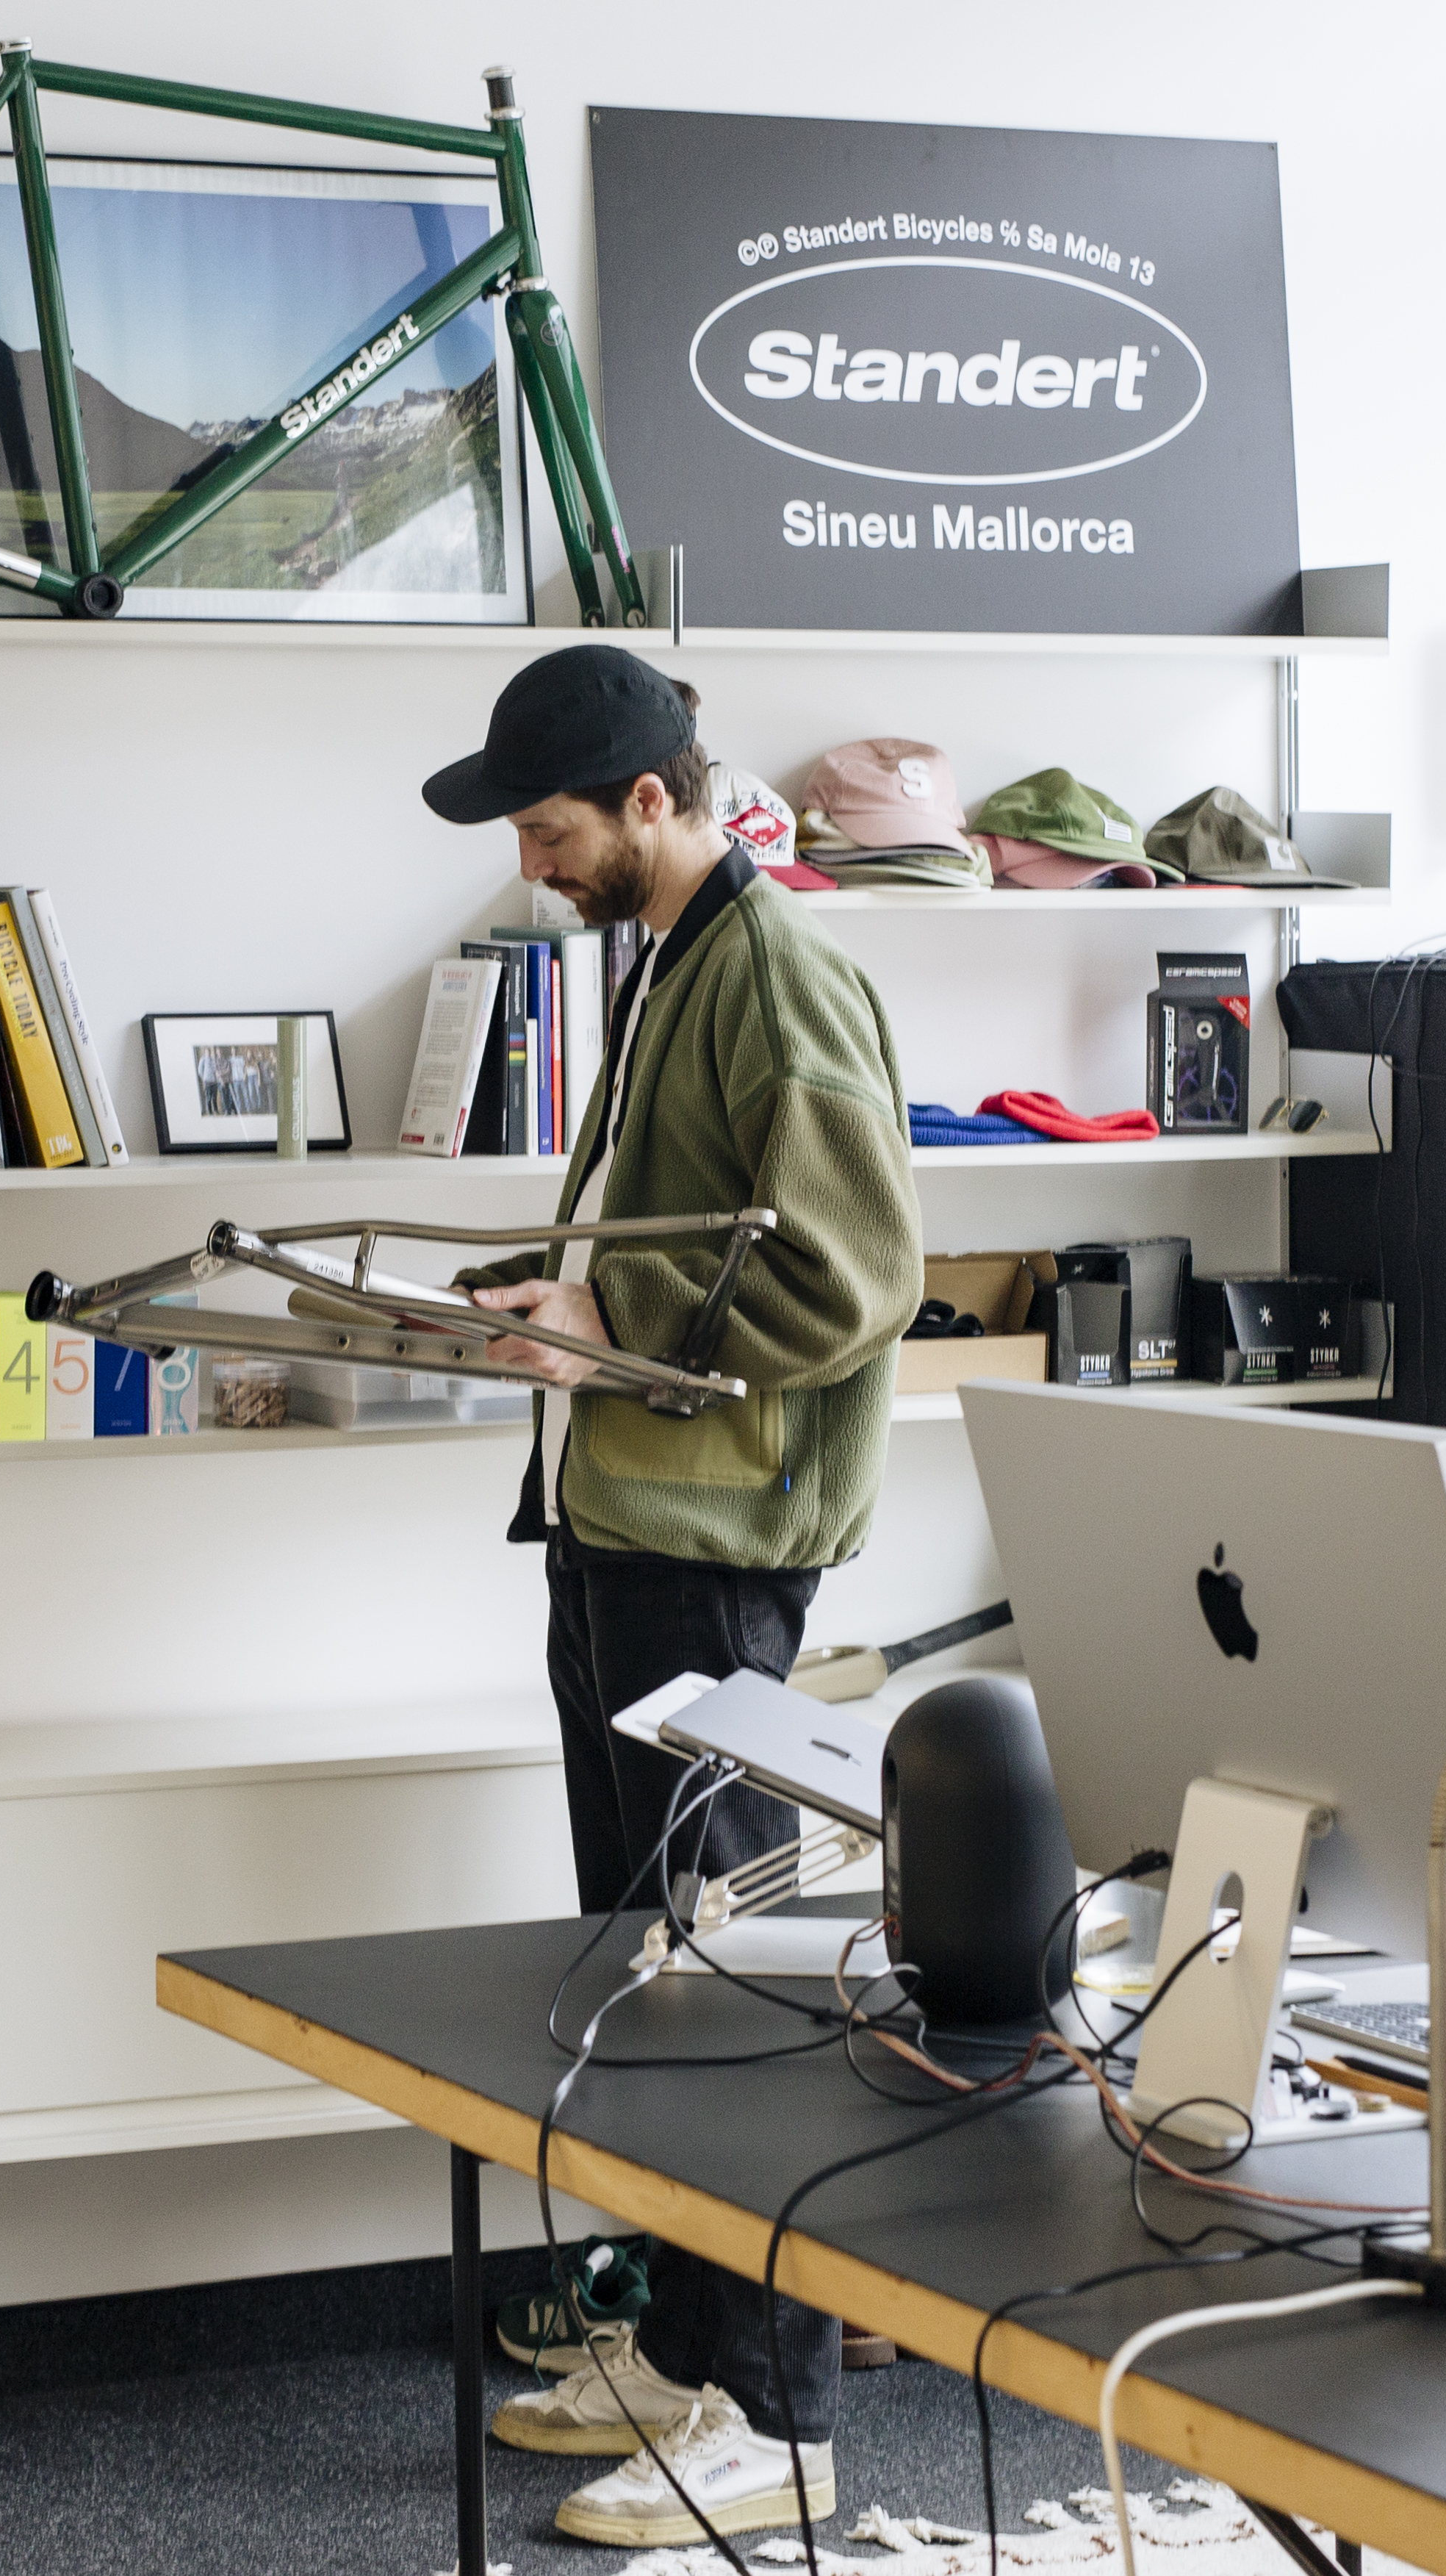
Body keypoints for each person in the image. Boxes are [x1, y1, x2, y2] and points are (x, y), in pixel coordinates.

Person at [422, 643, 924, 2551]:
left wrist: (609, 1311)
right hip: (625, 1524)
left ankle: (780, 2421)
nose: (531, 862)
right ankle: (686, 2351)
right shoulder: (665, 959)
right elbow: (682, 1246)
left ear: (652, 798)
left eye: (550, 827)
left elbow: (853, 1277)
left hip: (716, 1554)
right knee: (648, 1979)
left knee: (733, 1992)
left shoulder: (776, 973)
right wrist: (559, 1306)